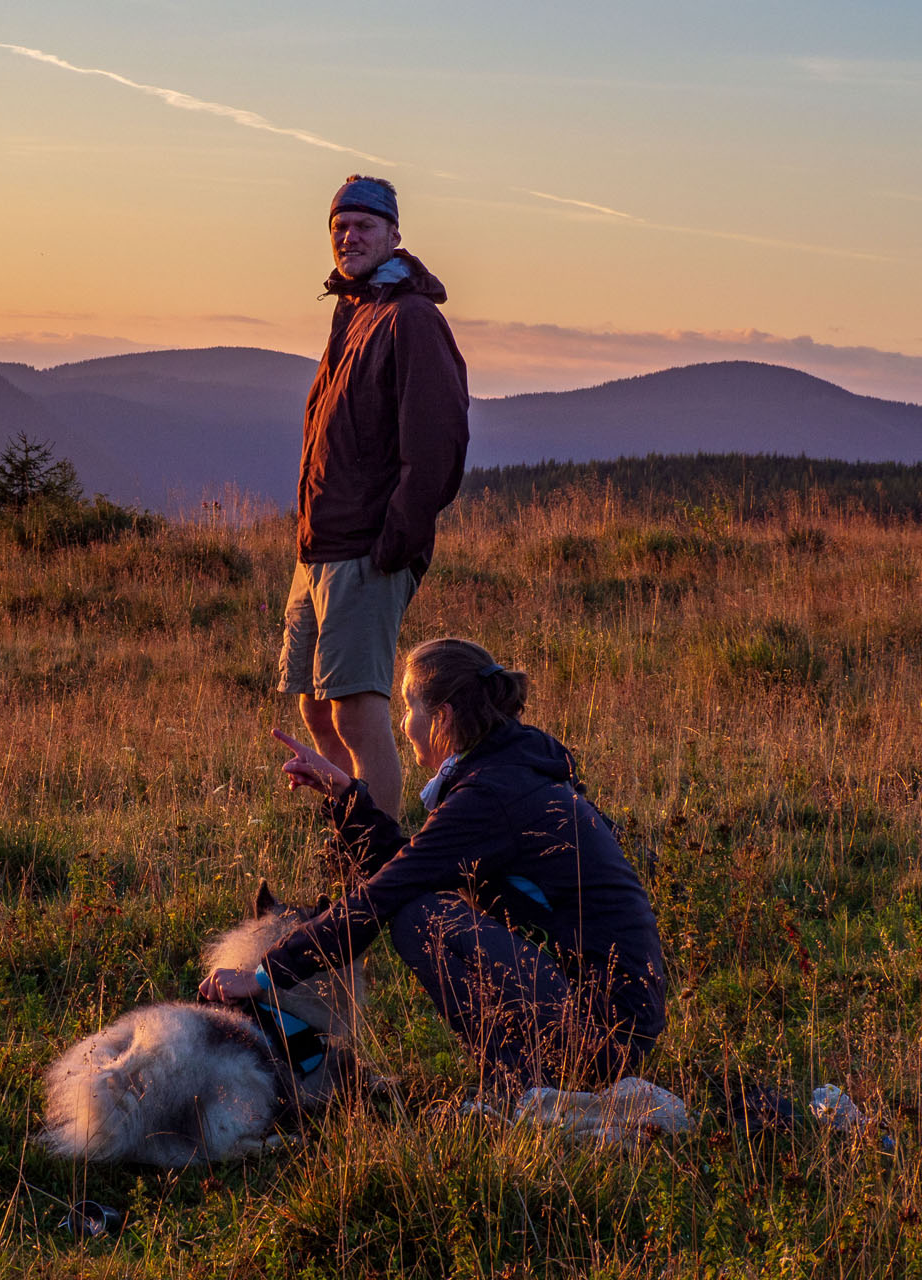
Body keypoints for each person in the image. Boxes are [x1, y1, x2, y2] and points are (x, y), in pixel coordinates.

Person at [202, 638, 666, 1096]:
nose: (403, 723)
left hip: (601, 1034)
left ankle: (518, 1084)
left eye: (407, 708)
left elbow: (387, 892)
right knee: (416, 902)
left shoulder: (490, 795)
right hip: (606, 1021)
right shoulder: (505, 770)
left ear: (441, 717)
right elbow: (410, 869)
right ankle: (527, 1076)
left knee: (416, 919)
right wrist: (347, 797)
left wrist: (264, 974)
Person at [280, 175, 469, 819]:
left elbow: (438, 440)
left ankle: (376, 871)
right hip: (320, 549)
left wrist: (397, 538)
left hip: (367, 548)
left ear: (393, 234)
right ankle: (350, 832)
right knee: (313, 702)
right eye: (339, 226)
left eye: (363, 225)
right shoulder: (355, 313)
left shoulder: (409, 318)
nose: (348, 236)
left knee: (359, 712)